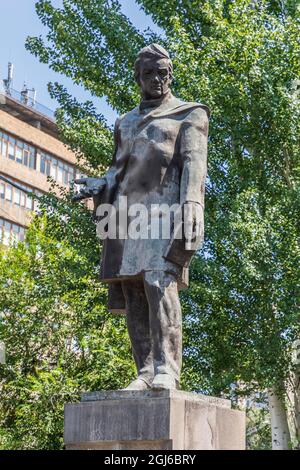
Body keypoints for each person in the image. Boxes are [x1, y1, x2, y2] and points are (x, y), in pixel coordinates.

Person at [75, 44, 209, 390]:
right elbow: (118, 170)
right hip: (126, 214)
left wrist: (193, 203)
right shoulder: (126, 122)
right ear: (138, 78)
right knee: (134, 289)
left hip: (165, 213)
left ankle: (168, 370)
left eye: (162, 72)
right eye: (148, 73)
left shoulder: (189, 114)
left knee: (158, 283)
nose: (156, 79)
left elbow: (194, 163)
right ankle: (145, 371)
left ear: (171, 73)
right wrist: (98, 184)